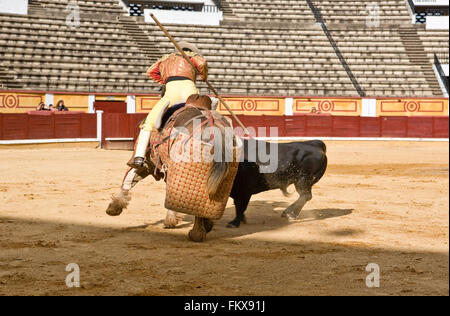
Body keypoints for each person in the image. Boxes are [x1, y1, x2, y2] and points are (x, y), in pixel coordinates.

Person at [129, 41, 208, 169]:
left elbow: (150, 72)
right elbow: (202, 63)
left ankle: (139, 157)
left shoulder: (165, 59)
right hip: (190, 91)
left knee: (148, 123)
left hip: (171, 92)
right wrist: (203, 76)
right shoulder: (193, 57)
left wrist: (166, 80)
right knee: (207, 114)